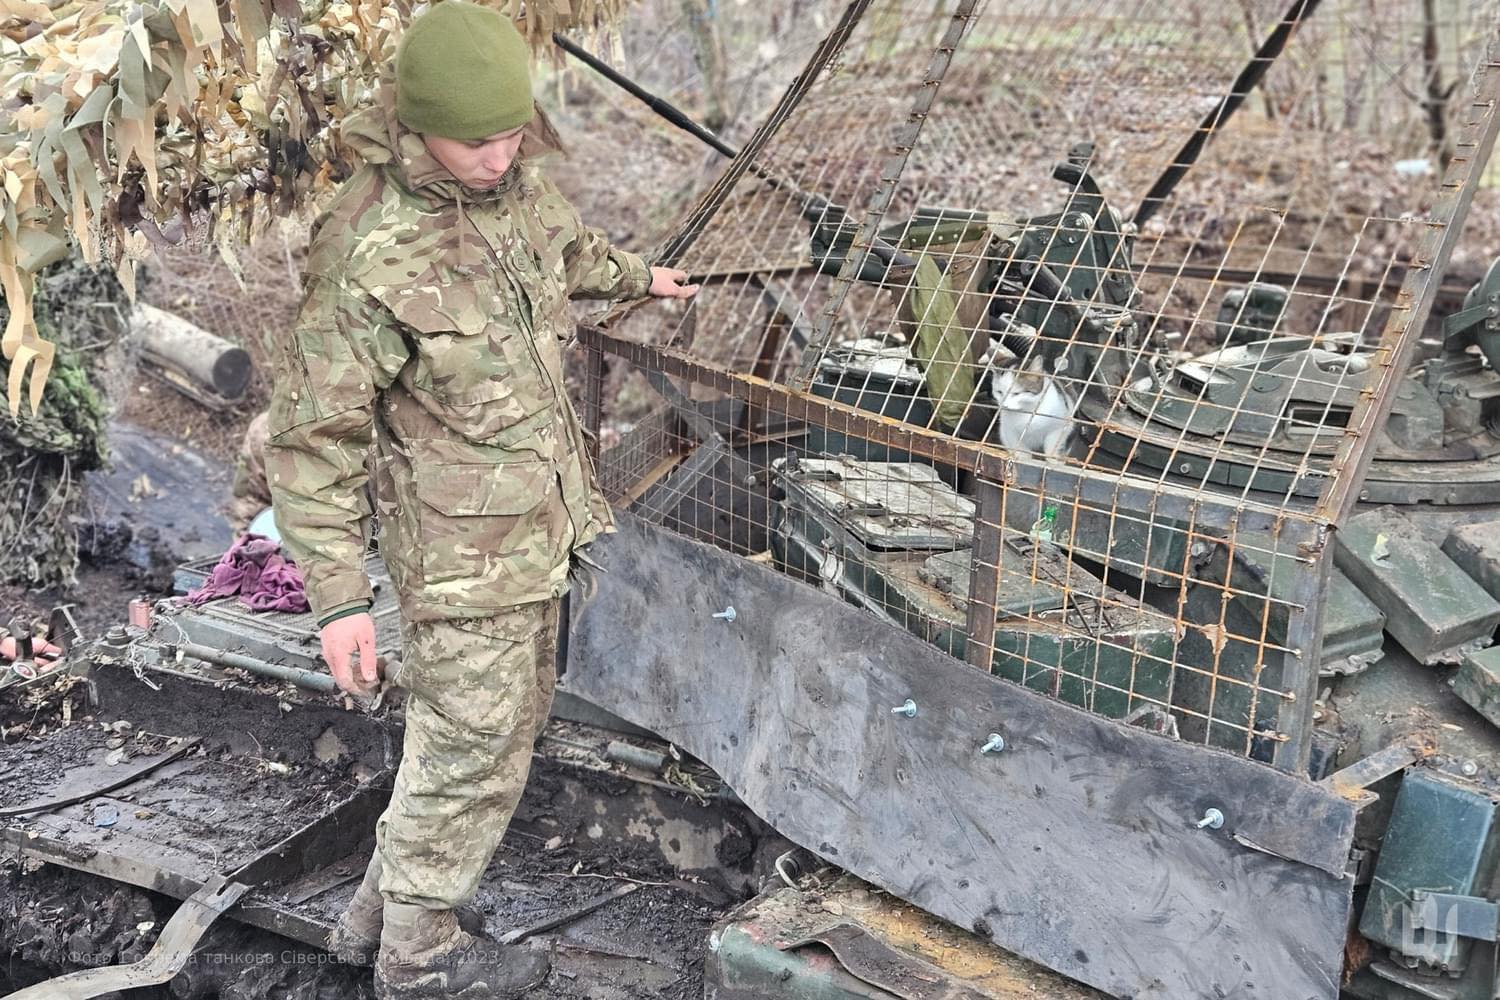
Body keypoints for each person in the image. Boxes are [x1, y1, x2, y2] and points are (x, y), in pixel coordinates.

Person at [264, 4, 698, 997]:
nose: (500, 157)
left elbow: (573, 254)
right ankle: (419, 964)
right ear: (418, 126)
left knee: (481, 739)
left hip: (542, 531)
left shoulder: (520, 194)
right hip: (460, 563)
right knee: (473, 755)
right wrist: (337, 598)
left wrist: (644, 278)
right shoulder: (370, 252)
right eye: (477, 141)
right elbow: (312, 442)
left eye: (512, 134)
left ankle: (373, 919)